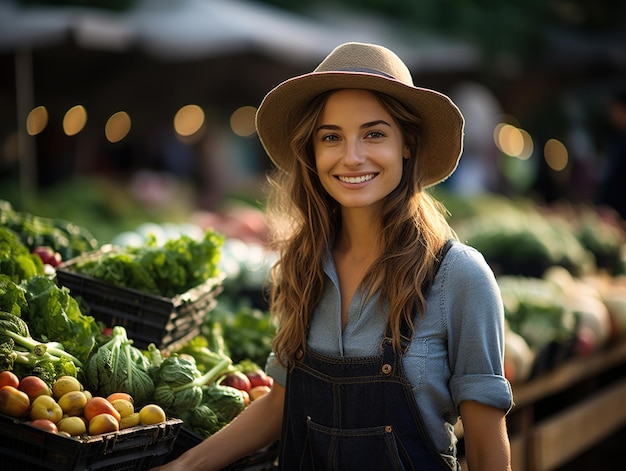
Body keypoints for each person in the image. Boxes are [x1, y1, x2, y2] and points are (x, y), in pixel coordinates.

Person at [153, 42, 513, 471]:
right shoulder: (302, 266)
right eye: (331, 137)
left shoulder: (458, 276)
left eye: (374, 134)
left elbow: (489, 445)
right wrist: (183, 467)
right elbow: (280, 404)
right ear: (313, 151)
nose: (351, 157)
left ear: (407, 144)